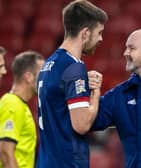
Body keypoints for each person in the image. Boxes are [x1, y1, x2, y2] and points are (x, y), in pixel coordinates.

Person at [35, 0, 108, 167]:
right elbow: (81, 124)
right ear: (85, 33)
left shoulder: (49, 64)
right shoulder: (74, 67)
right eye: (99, 32)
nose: (101, 39)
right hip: (67, 162)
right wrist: (95, 93)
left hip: (47, 161)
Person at [89, 28, 141, 168]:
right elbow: (89, 120)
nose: (125, 53)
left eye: (131, 48)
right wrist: (88, 91)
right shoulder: (121, 94)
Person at [0, 51, 44, 168]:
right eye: (42, 74)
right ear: (28, 77)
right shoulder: (12, 103)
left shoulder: (21, 105)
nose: (45, 80)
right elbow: (5, 153)